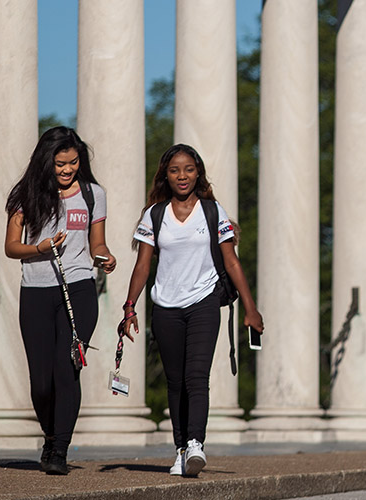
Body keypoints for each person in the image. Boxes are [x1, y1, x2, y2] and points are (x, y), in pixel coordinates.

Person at [121, 144, 263, 478]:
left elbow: (231, 261)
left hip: (204, 302)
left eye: (188, 169)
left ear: (198, 173)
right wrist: (129, 307)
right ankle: (181, 449)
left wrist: (251, 308)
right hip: (166, 307)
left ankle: (196, 443)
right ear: (166, 176)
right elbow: (142, 266)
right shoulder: (155, 215)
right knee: (175, 382)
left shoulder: (212, 211)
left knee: (197, 377)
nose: (182, 176)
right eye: (174, 170)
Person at [3, 126, 117, 474]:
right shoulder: (26, 193)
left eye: (73, 162)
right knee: (41, 381)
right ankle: (50, 435)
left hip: (79, 288)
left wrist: (104, 256)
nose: (68, 169)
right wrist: (40, 248)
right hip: (36, 291)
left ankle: (60, 450)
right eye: (60, 163)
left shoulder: (93, 194)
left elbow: (97, 243)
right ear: (46, 161)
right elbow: (11, 247)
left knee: (66, 368)